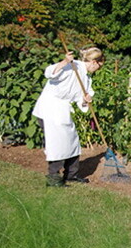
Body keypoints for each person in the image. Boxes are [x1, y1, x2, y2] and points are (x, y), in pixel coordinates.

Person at [32, 47, 104, 186]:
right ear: (95, 62)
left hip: (63, 110)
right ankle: (53, 178)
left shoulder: (86, 78)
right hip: (50, 108)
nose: (99, 69)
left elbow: (81, 101)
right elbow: (49, 73)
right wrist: (64, 61)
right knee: (57, 145)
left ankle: (71, 175)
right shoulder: (72, 65)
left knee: (73, 142)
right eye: (100, 65)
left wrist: (86, 100)